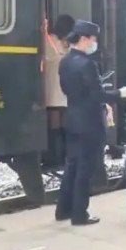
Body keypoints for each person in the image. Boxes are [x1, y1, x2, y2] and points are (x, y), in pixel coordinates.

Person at [55, 20, 126, 226]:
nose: (94, 43)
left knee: (71, 165)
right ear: (84, 39)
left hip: (72, 119)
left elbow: (66, 90)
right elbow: (97, 95)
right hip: (89, 122)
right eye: (93, 39)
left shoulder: (65, 61)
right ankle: (79, 214)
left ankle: (63, 210)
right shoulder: (87, 64)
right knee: (85, 168)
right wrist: (121, 94)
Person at [44, 14, 75, 168]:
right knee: (57, 125)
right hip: (54, 88)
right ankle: (56, 158)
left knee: (59, 126)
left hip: (60, 90)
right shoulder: (51, 40)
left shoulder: (65, 44)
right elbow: (53, 56)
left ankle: (60, 158)